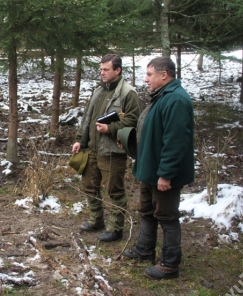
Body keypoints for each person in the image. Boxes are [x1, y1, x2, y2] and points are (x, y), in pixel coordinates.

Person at [123, 56, 194, 280]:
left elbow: (176, 141)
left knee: (167, 216)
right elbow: (152, 131)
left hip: (163, 174)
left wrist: (166, 174)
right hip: (150, 170)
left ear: (164, 75)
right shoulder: (161, 97)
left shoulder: (176, 100)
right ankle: (144, 250)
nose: (145, 80)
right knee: (147, 210)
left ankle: (170, 265)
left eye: (149, 75)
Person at [72, 54, 141, 242]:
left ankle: (116, 228)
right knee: (89, 186)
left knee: (114, 190)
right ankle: (96, 219)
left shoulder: (128, 93)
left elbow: (134, 120)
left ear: (117, 70)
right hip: (92, 149)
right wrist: (80, 139)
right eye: (101, 69)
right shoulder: (98, 90)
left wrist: (110, 128)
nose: (102, 73)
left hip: (113, 151)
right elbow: (88, 117)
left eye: (106, 69)